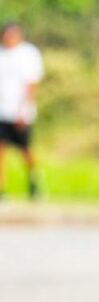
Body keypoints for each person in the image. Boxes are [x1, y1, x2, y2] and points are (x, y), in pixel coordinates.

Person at [0, 22, 44, 200]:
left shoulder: (28, 54)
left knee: (26, 150)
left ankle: (35, 180)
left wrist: (24, 111)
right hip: (2, 111)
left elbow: (32, 84)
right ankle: (2, 188)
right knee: (1, 150)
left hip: (20, 112)